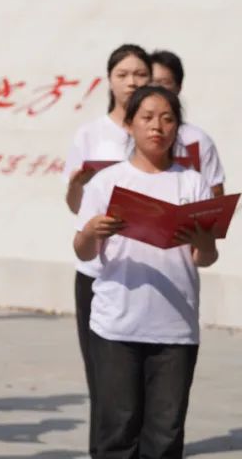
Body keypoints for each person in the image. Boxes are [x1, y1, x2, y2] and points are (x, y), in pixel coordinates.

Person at [74, 86, 217, 458]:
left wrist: (204, 241)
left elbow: (205, 258)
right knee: (117, 432)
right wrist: (90, 231)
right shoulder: (107, 182)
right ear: (130, 124)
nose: (158, 126)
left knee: (165, 435)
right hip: (116, 324)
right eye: (148, 117)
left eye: (168, 119)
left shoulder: (193, 183)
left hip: (175, 327)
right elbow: (83, 251)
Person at [64, 43, 152, 459]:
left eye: (140, 74)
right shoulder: (90, 134)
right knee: (104, 375)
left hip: (149, 268)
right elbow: (74, 207)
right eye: (123, 74)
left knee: (149, 377)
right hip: (99, 270)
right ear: (109, 80)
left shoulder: (162, 132)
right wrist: (78, 184)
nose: (132, 82)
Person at [149, 49, 225, 196]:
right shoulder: (130, 135)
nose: (157, 89)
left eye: (164, 82)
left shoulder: (197, 140)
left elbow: (216, 193)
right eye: (152, 82)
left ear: (179, 87)